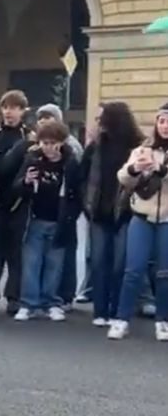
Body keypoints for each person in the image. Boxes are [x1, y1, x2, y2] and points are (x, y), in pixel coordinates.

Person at [109, 103, 168, 341]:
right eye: (162, 121)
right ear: (156, 124)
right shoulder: (143, 149)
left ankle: (163, 320)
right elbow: (122, 177)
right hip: (141, 217)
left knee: (164, 273)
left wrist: (163, 171)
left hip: (166, 220)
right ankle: (121, 319)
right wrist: (136, 168)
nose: (165, 126)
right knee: (133, 270)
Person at [12, 121, 81, 321]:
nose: (48, 147)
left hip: (59, 220)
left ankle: (51, 301)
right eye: (44, 142)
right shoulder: (32, 160)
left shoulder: (70, 163)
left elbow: (76, 193)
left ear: (61, 143)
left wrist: (71, 216)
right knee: (31, 264)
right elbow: (16, 188)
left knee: (54, 264)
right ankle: (28, 303)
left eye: (52, 143)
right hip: (35, 218)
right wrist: (25, 182)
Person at [80, 102, 141, 328]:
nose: (98, 123)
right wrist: (86, 203)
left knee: (119, 264)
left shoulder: (136, 146)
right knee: (98, 262)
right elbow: (82, 176)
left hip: (125, 213)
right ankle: (100, 310)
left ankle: (117, 309)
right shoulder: (95, 146)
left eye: (102, 118)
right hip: (98, 212)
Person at [0, 90, 31, 316]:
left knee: (16, 254)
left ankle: (14, 297)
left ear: (23, 111)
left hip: (19, 202)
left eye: (15, 108)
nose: (9, 112)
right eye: (6, 107)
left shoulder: (28, 137)